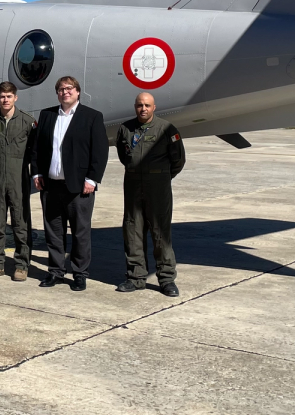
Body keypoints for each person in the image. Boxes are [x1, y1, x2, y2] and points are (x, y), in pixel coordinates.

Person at [30, 75, 108, 291]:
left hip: (79, 187)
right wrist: (36, 173)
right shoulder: (47, 115)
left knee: (80, 232)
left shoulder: (91, 117)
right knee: (53, 231)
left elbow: (100, 151)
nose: (65, 92)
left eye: (69, 88)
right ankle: (56, 271)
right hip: (51, 185)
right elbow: (37, 148)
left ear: (77, 91)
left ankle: (80, 273)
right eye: (61, 89)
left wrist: (92, 179)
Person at [115, 92, 186, 297]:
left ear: (154, 107)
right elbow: (124, 156)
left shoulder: (166, 129)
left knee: (160, 232)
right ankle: (136, 278)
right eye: (140, 105)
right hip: (133, 186)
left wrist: (161, 177)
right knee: (133, 230)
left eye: (147, 105)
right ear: (135, 107)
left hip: (158, 187)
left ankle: (166, 279)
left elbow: (178, 160)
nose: (143, 109)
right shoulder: (125, 129)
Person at [0, 81, 36, 282]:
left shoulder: (27, 121)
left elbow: (33, 149)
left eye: (9, 96)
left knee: (21, 222)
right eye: (2, 96)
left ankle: (21, 265)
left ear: (15, 97)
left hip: (18, 176)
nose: (5, 99)